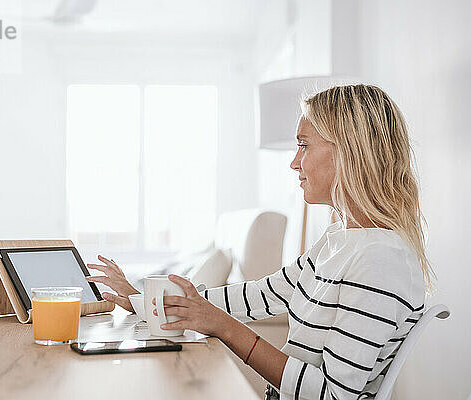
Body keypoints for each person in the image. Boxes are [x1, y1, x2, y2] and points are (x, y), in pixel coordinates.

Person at [86, 84, 434, 399]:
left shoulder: (380, 260)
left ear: (349, 151)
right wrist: (140, 299)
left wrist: (223, 327)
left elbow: (331, 396)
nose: (294, 162)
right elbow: (257, 297)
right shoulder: (341, 239)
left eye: (303, 145)